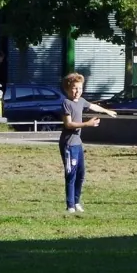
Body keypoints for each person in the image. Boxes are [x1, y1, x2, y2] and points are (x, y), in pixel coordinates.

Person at [58, 72, 117, 215]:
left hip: (78, 144)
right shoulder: (66, 103)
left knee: (81, 173)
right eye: (74, 88)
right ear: (67, 88)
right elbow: (69, 124)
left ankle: (77, 202)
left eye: (79, 88)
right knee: (70, 174)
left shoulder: (81, 101)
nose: (77, 91)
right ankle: (70, 205)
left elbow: (93, 107)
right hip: (68, 144)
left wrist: (107, 111)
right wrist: (87, 124)